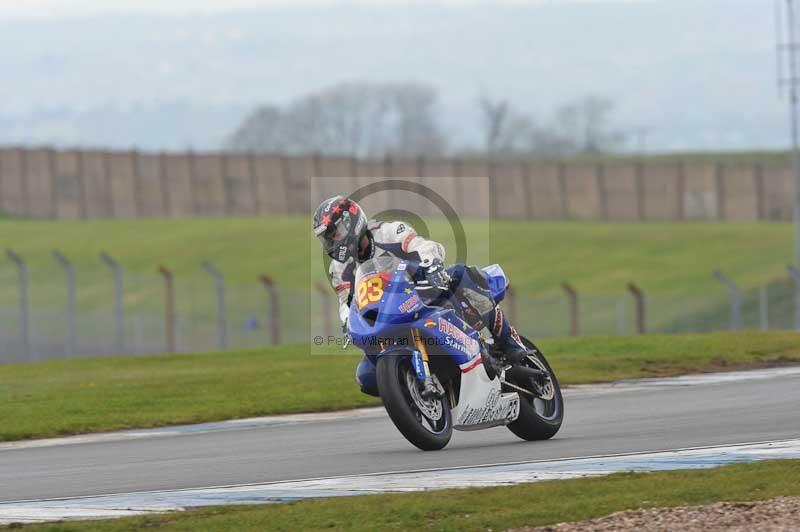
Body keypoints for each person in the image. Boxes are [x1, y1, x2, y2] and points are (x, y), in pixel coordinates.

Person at [313, 195, 527, 396]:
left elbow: (424, 246)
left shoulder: (389, 231)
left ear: (351, 222)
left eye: (334, 233)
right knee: (367, 375)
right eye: (327, 238)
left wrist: (432, 266)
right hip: (387, 315)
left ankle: (509, 342)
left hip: (423, 292)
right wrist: (347, 323)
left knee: (463, 275)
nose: (332, 242)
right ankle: (416, 392)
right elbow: (346, 302)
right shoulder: (338, 269)